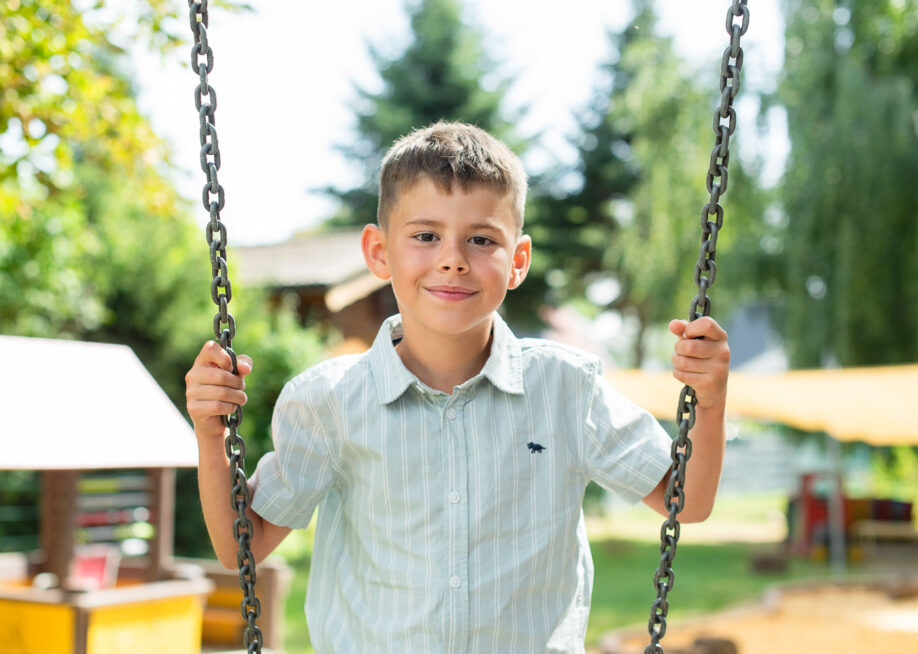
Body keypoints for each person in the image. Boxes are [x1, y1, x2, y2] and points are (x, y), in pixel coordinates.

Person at [185, 121, 730, 653]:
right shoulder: (329, 401)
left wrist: (708, 401)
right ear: (379, 252)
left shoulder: (566, 389)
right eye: (426, 236)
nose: (453, 259)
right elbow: (243, 546)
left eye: (481, 239)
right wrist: (213, 436)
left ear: (518, 261)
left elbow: (686, 501)